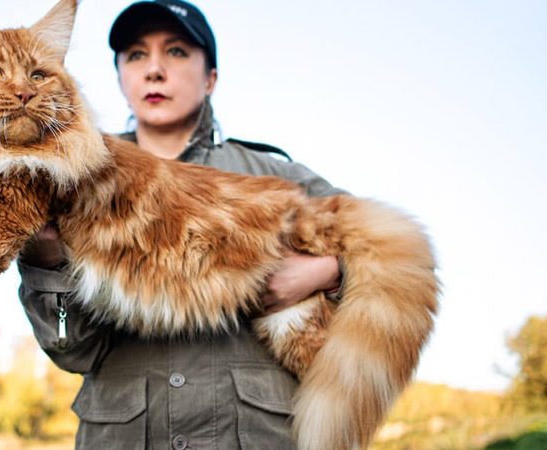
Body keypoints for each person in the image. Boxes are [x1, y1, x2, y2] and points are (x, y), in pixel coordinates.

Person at [18, 1, 345, 448]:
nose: (154, 70)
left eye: (175, 52)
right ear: (120, 78)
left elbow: (393, 262)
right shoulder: (72, 177)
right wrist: (47, 262)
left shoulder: (276, 175)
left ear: (210, 77)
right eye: (135, 55)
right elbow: (72, 350)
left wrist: (325, 273)